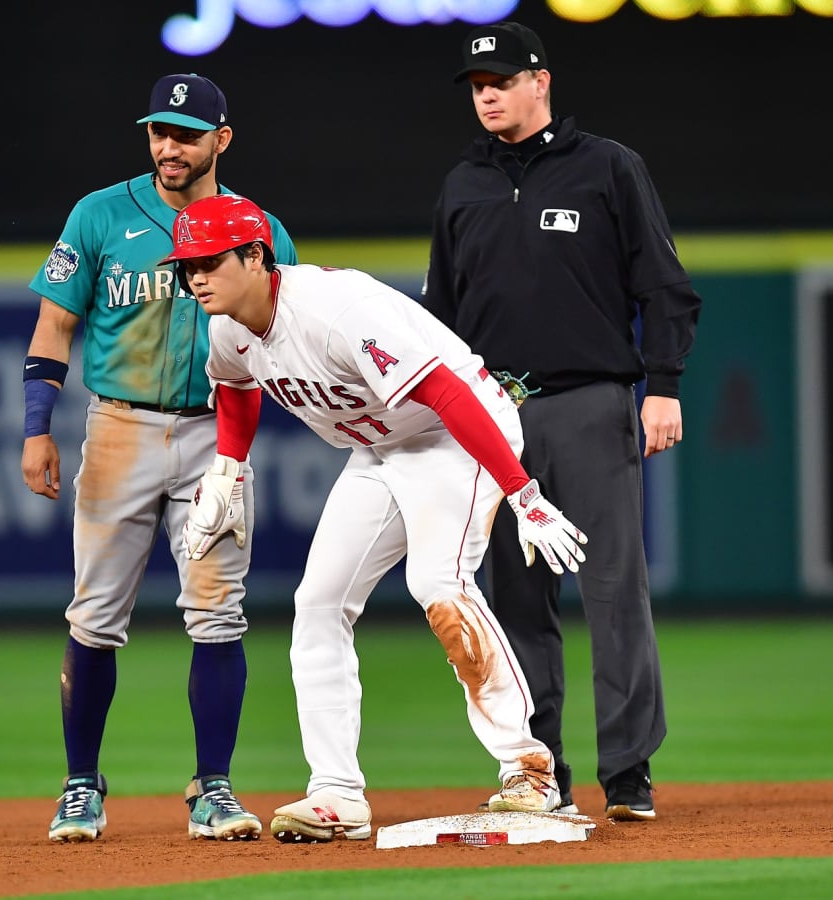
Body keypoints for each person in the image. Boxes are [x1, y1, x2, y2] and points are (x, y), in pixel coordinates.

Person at [159, 193, 588, 843]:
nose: (195, 277)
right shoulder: (227, 326)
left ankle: (530, 771)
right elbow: (237, 390)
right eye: (185, 265)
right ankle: (336, 793)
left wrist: (523, 495)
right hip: (381, 446)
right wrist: (225, 472)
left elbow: (447, 391)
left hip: (457, 432)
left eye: (208, 261)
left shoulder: (337, 313)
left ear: (255, 255)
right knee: (319, 602)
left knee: (438, 584)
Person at [425, 22, 702, 821]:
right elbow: (439, 320)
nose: (486, 94)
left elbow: (665, 287)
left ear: (540, 82)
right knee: (516, 604)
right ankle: (539, 770)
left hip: (591, 403)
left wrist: (664, 384)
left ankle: (629, 772)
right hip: (494, 421)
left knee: (615, 591)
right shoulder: (461, 187)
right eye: (477, 84)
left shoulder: (608, 167)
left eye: (502, 80)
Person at [20, 74, 298, 844]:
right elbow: (53, 324)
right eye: (157, 131)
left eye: (185, 132)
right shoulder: (102, 213)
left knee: (218, 614)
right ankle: (81, 785)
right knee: (95, 615)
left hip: (216, 437)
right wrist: (36, 427)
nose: (168, 146)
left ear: (221, 139)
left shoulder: (257, 227)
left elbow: (290, 332)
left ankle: (214, 788)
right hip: (119, 429)